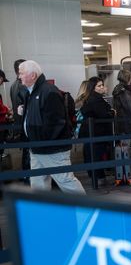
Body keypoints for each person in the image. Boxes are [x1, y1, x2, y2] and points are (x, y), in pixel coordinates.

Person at [18, 60, 85, 194]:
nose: (19, 76)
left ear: (33, 75)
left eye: (21, 73)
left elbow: (56, 122)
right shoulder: (30, 93)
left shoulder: (49, 92)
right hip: (37, 147)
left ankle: (88, 211)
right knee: (38, 184)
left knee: (66, 181)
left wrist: (43, 141)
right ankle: (43, 214)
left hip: (52, 149)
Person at [78, 77, 114, 182]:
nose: (102, 87)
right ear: (93, 87)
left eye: (102, 85)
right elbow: (104, 115)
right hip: (97, 133)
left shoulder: (90, 98)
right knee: (96, 155)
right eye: (99, 86)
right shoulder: (96, 99)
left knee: (91, 155)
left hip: (92, 132)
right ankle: (98, 178)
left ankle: (96, 177)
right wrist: (112, 113)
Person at [112, 69, 131, 135]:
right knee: (128, 143)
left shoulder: (117, 89)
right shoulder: (124, 91)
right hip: (128, 124)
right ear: (127, 78)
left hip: (120, 123)